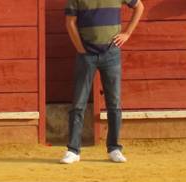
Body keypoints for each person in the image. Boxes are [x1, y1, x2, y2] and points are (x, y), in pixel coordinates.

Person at [60, 0, 145, 165]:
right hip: (86, 54)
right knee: (78, 103)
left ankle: (114, 148)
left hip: (111, 52)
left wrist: (127, 33)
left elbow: (139, 6)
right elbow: (70, 23)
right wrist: (81, 49)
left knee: (114, 103)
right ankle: (73, 150)